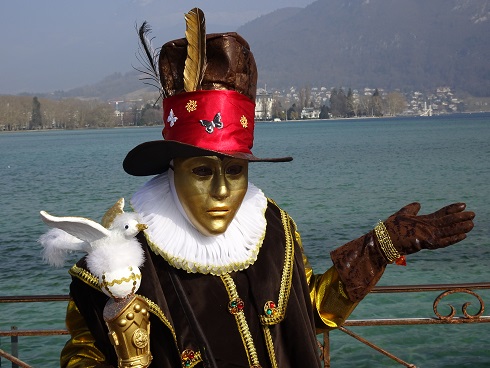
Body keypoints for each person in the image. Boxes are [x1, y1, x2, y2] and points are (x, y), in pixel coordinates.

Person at [59, 8, 475, 368]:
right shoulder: (120, 261)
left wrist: (380, 247)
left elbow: (311, 312)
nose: (223, 192)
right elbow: (82, 353)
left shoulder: (271, 228)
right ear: (173, 170)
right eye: (203, 172)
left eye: (236, 172)